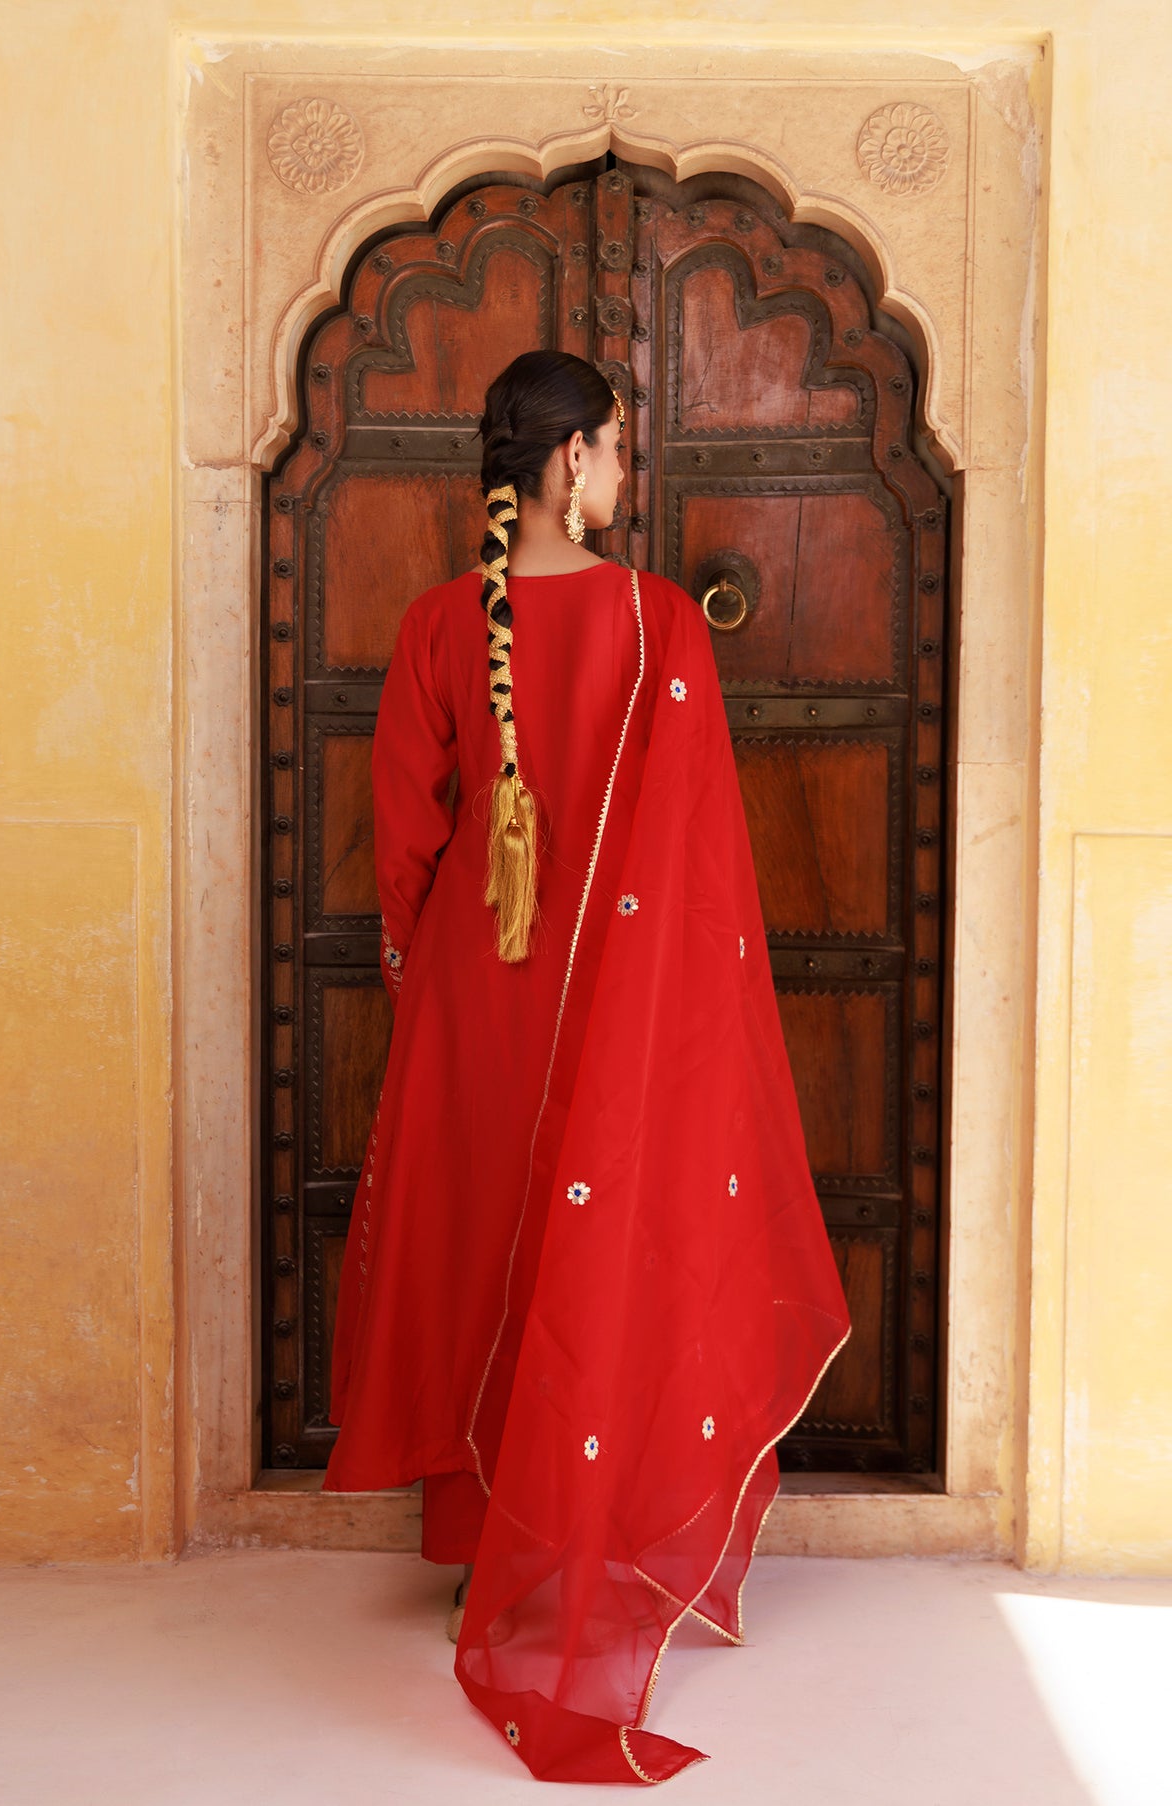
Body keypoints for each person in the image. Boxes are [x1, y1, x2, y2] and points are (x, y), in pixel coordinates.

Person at [323, 348, 850, 1784]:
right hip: (617, 1003)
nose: (626, 473)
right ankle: (604, 1538)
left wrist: (417, 976)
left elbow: (408, 840)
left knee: (477, 1238)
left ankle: (478, 1546)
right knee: (610, 1239)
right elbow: (691, 858)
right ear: (568, 464)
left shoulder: (444, 623)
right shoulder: (658, 623)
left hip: (467, 1002)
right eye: (616, 449)